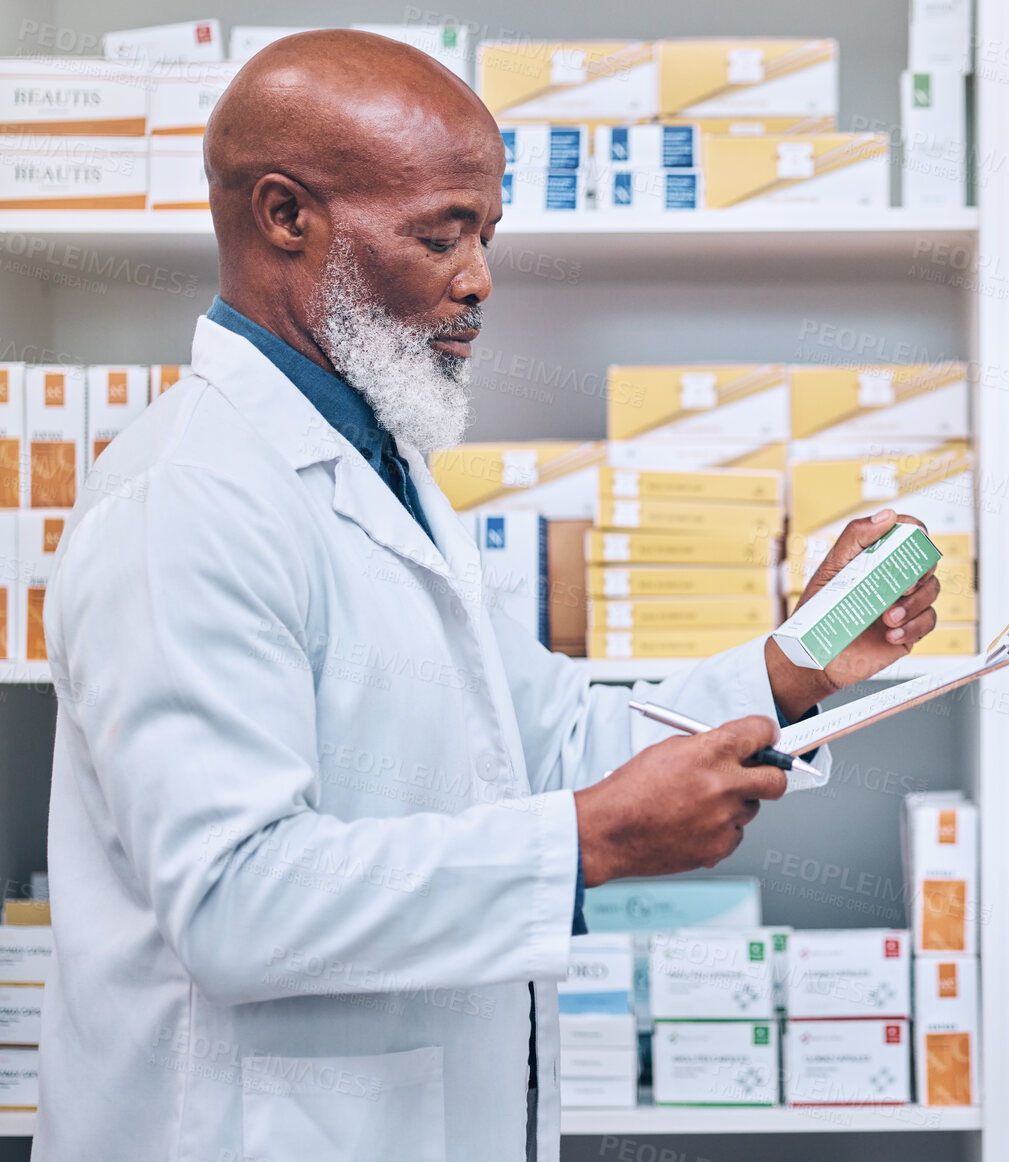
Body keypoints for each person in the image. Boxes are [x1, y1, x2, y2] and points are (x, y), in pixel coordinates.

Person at [33, 30, 941, 1162]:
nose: (479, 278)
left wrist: (792, 668)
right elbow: (233, 901)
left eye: (486, 233)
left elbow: (544, 734)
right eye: (440, 234)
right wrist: (583, 844)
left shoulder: (383, 463)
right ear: (284, 216)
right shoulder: (186, 501)